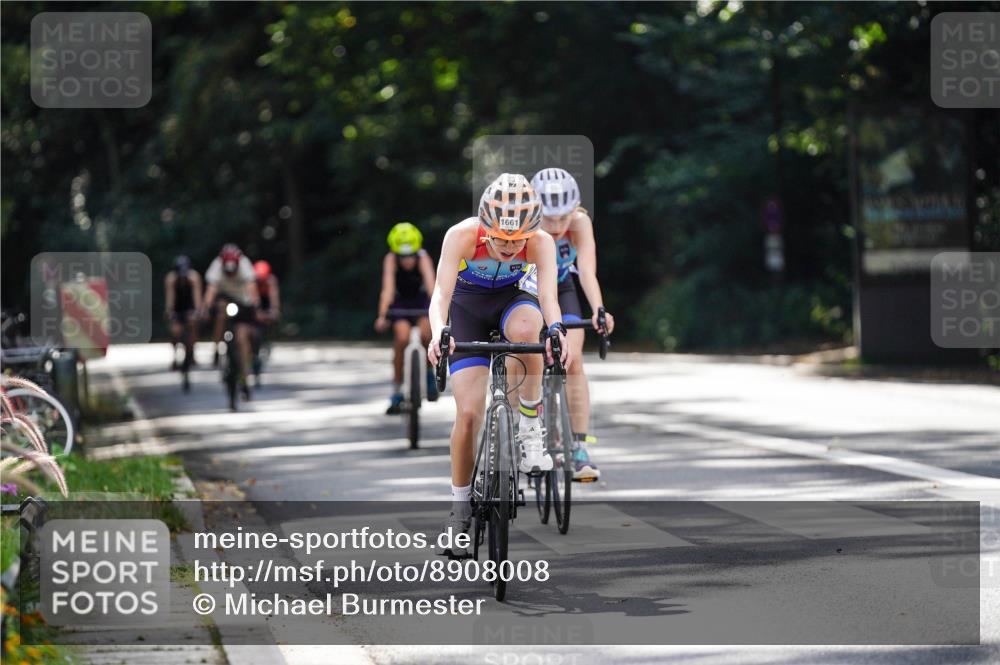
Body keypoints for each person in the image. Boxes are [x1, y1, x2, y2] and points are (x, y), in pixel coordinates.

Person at [427, 173, 570, 558]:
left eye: (517, 240)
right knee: (469, 414)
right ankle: (459, 511)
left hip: (514, 301)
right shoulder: (461, 235)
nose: (509, 247)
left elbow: (548, 297)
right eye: (501, 239)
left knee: (528, 332)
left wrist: (556, 330)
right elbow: (441, 294)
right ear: (485, 228)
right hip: (467, 310)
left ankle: (529, 426)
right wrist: (438, 333)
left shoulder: (540, 242)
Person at [531, 167, 616, 482]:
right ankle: (529, 428)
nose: (556, 227)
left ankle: (579, 448)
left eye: (562, 218)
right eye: (548, 219)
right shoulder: (524, 224)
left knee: (574, 358)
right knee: (529, 356)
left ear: (574, 210)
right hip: (528, 289)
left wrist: (598, 310)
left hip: (562, 288)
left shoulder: (580, 223)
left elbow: (587, 271)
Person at [375, 222, 437, 414]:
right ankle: (397, 389)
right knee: (401, 338)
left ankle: (428, 373)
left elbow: (432, 286)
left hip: (421, 301)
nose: (407, 260)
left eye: (411, 255)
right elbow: (388, 289)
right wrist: (382, 315)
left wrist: (439, 313)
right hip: (400, 304)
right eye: (402, 256)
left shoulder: (423, 257)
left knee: (427, 334)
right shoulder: (390, 259)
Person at [200, 244, 258, 398]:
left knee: (242, 339)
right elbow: (211, 289)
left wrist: (255, 304)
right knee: (221, 315)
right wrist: (206, 308)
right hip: (224, 298)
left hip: (242, 301)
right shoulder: (217, 266)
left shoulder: (245, 265)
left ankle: (244, 377)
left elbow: (251, 286)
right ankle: (216, 348)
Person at [164, 255, 203, 370]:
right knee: (175, 331)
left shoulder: (194, 278)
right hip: (177, 306)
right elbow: (170, 299)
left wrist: (197, 312)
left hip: (189, 305)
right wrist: (170, 312)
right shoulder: (171, 279)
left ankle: (192, 354)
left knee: (193, 325)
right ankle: (175, 357)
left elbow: (197, 298)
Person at [252, 260, 281, 382]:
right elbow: (253, 300)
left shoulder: (271, 281)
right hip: (256, 302)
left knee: (271, 319)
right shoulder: (251, 282)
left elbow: (274, 299)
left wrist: (274, 311)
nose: (261, 281)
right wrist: (257, 313)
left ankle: (268, 339)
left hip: (266, 302)